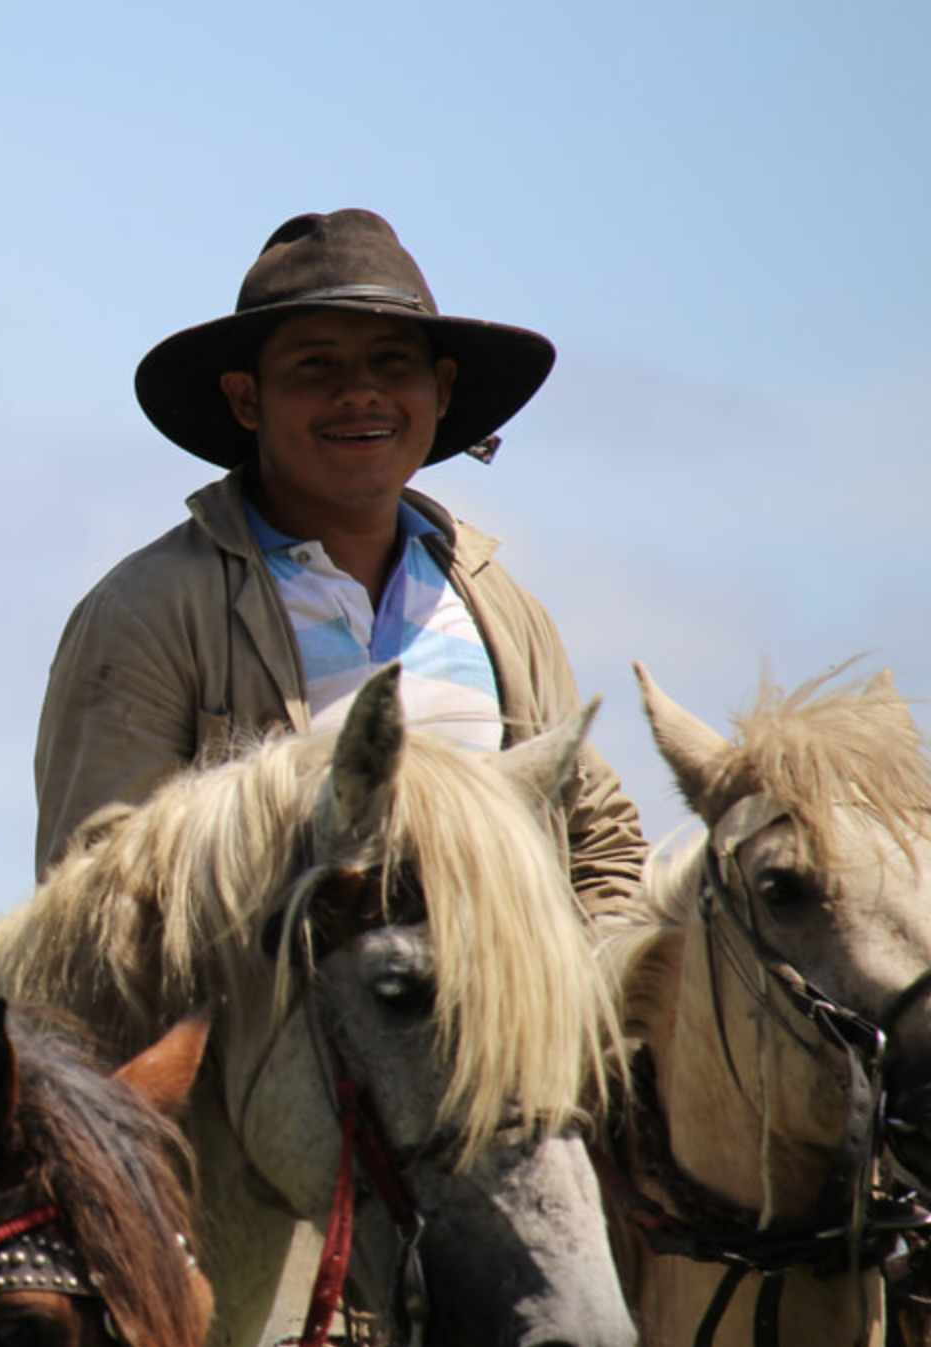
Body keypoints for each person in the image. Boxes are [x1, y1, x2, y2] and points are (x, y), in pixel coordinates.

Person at [35, 209, 646, 914]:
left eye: (392, 361)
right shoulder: (151, 610)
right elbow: (92, 890)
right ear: (246, 398)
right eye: (315, 364)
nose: (359, 391)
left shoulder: (503, 612)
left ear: (441, 391)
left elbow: (601, 850)